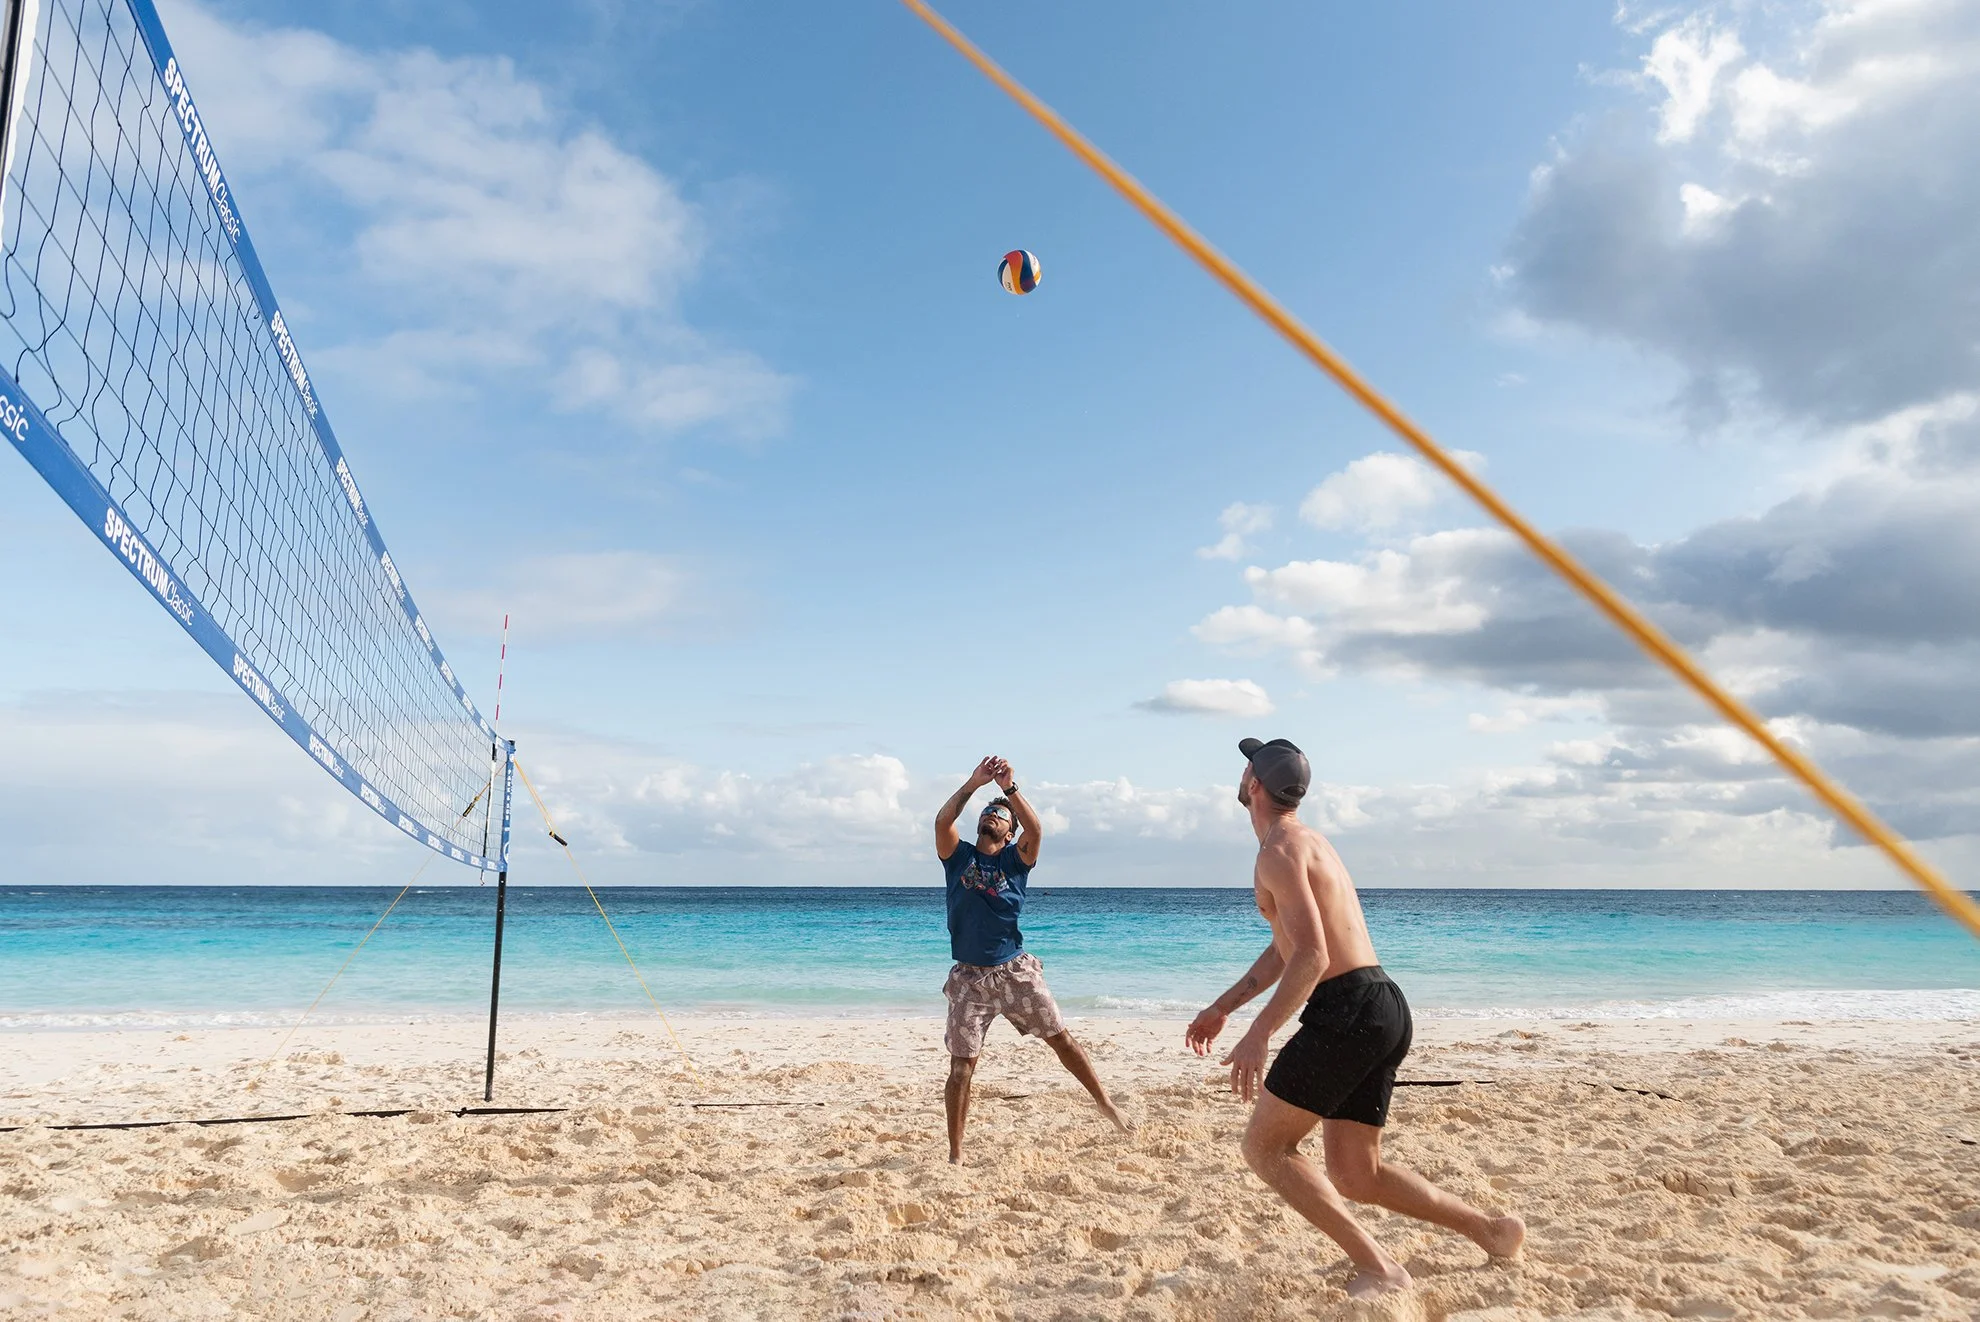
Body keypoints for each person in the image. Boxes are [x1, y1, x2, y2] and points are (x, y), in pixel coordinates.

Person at [1186, 737, 1524, 1299]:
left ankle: (1383, 1269)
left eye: (1247, 766)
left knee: (1265, 1149)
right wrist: (1225, 1006)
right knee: (1355, 1173)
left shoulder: (1279, 851)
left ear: (1254, 785)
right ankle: (1490, 1231)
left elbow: (1313, 954)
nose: (1243, 773)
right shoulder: (1306, 842)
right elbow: (1287, 947)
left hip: (1347, 1009)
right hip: (1382, 1003)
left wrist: (1258, 1034)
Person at [935, 755, 1127, 1163]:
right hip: (969, 979)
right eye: (989, 812)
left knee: (1061, 1039)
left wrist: (1008, 789)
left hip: (1013, 971)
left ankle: (1105, 1103)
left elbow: (1036, 829)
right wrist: (973, 784)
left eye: (1001, 816)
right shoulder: (959, 857)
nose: (993, 815)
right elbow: (941, 822)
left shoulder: (1016, 861)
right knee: (961, 1069)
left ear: (1010, 834)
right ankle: (955, 1154)